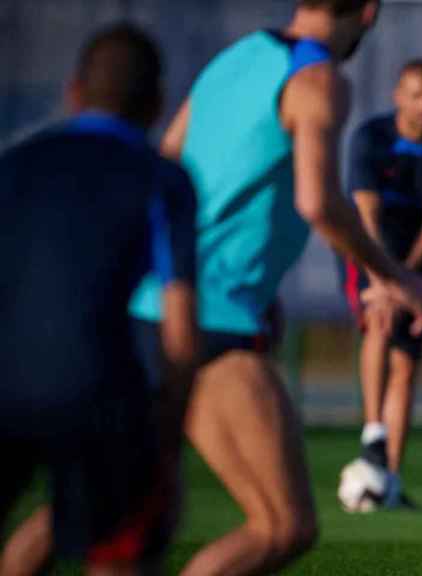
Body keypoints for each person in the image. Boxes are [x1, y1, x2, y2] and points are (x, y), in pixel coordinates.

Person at [3, 1, 422, 574]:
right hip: (209, 321)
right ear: (368, 11)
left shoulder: (234, 59)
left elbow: (167, 159)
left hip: (143, 311)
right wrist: (396, 276)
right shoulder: (319, 80)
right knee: (284, 524)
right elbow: (318, 201)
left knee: (77, 511)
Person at [0, 23, 198, 575]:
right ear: (157, 104)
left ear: (74, 91)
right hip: (97, 389)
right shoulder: (163, 180)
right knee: (118, 554)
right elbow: (180, 331)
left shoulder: (12, 166)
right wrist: (166, 434)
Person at [339, 58, 422, 507]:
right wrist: (387, 281)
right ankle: (373, 434)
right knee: (381, 319)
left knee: (408, 364)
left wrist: (410, 278)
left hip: (415, 258)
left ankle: (388, 480)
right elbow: (367, 215)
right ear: (398, 96)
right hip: (366, 249)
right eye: (415, 94)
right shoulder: (370, 139)